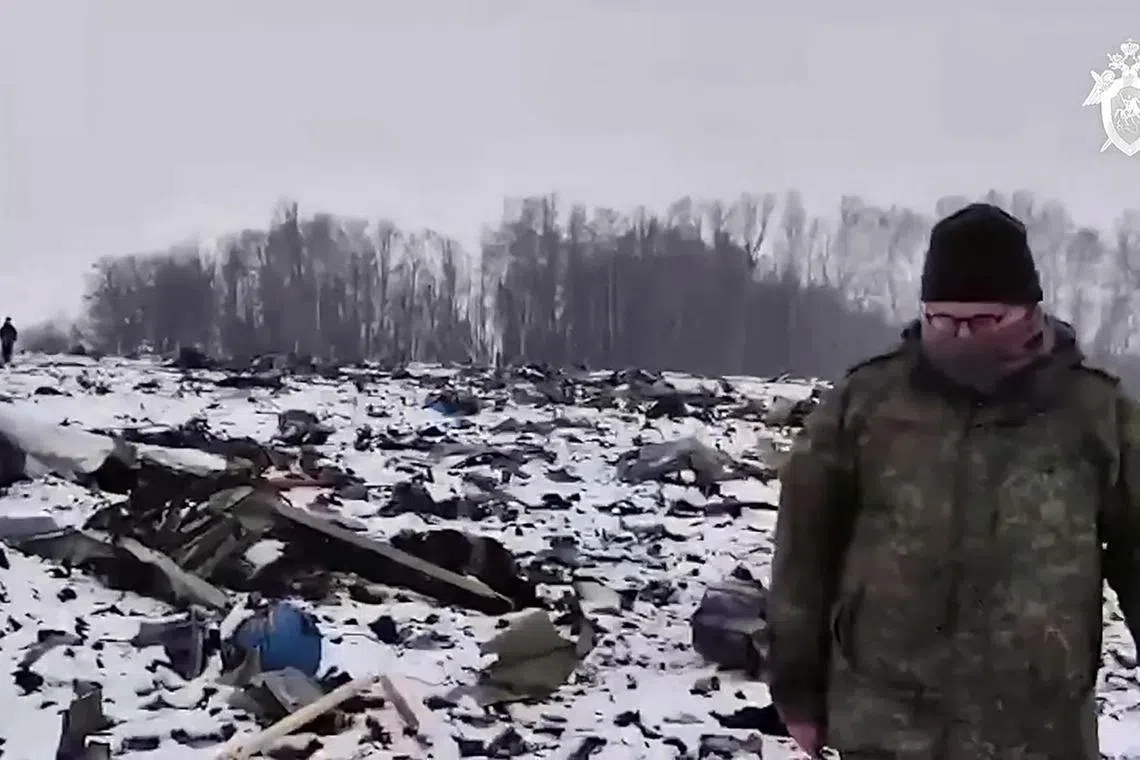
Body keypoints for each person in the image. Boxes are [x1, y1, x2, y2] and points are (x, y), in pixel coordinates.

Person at [767, 203, 1140, 760]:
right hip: (886, 723)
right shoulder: (865, 405)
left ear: (1030, 312)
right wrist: (796, 690)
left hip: (1039, 730)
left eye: (983, 321)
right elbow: (804, 552)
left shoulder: (1096, 414)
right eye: (943, 319)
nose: (961, 336)